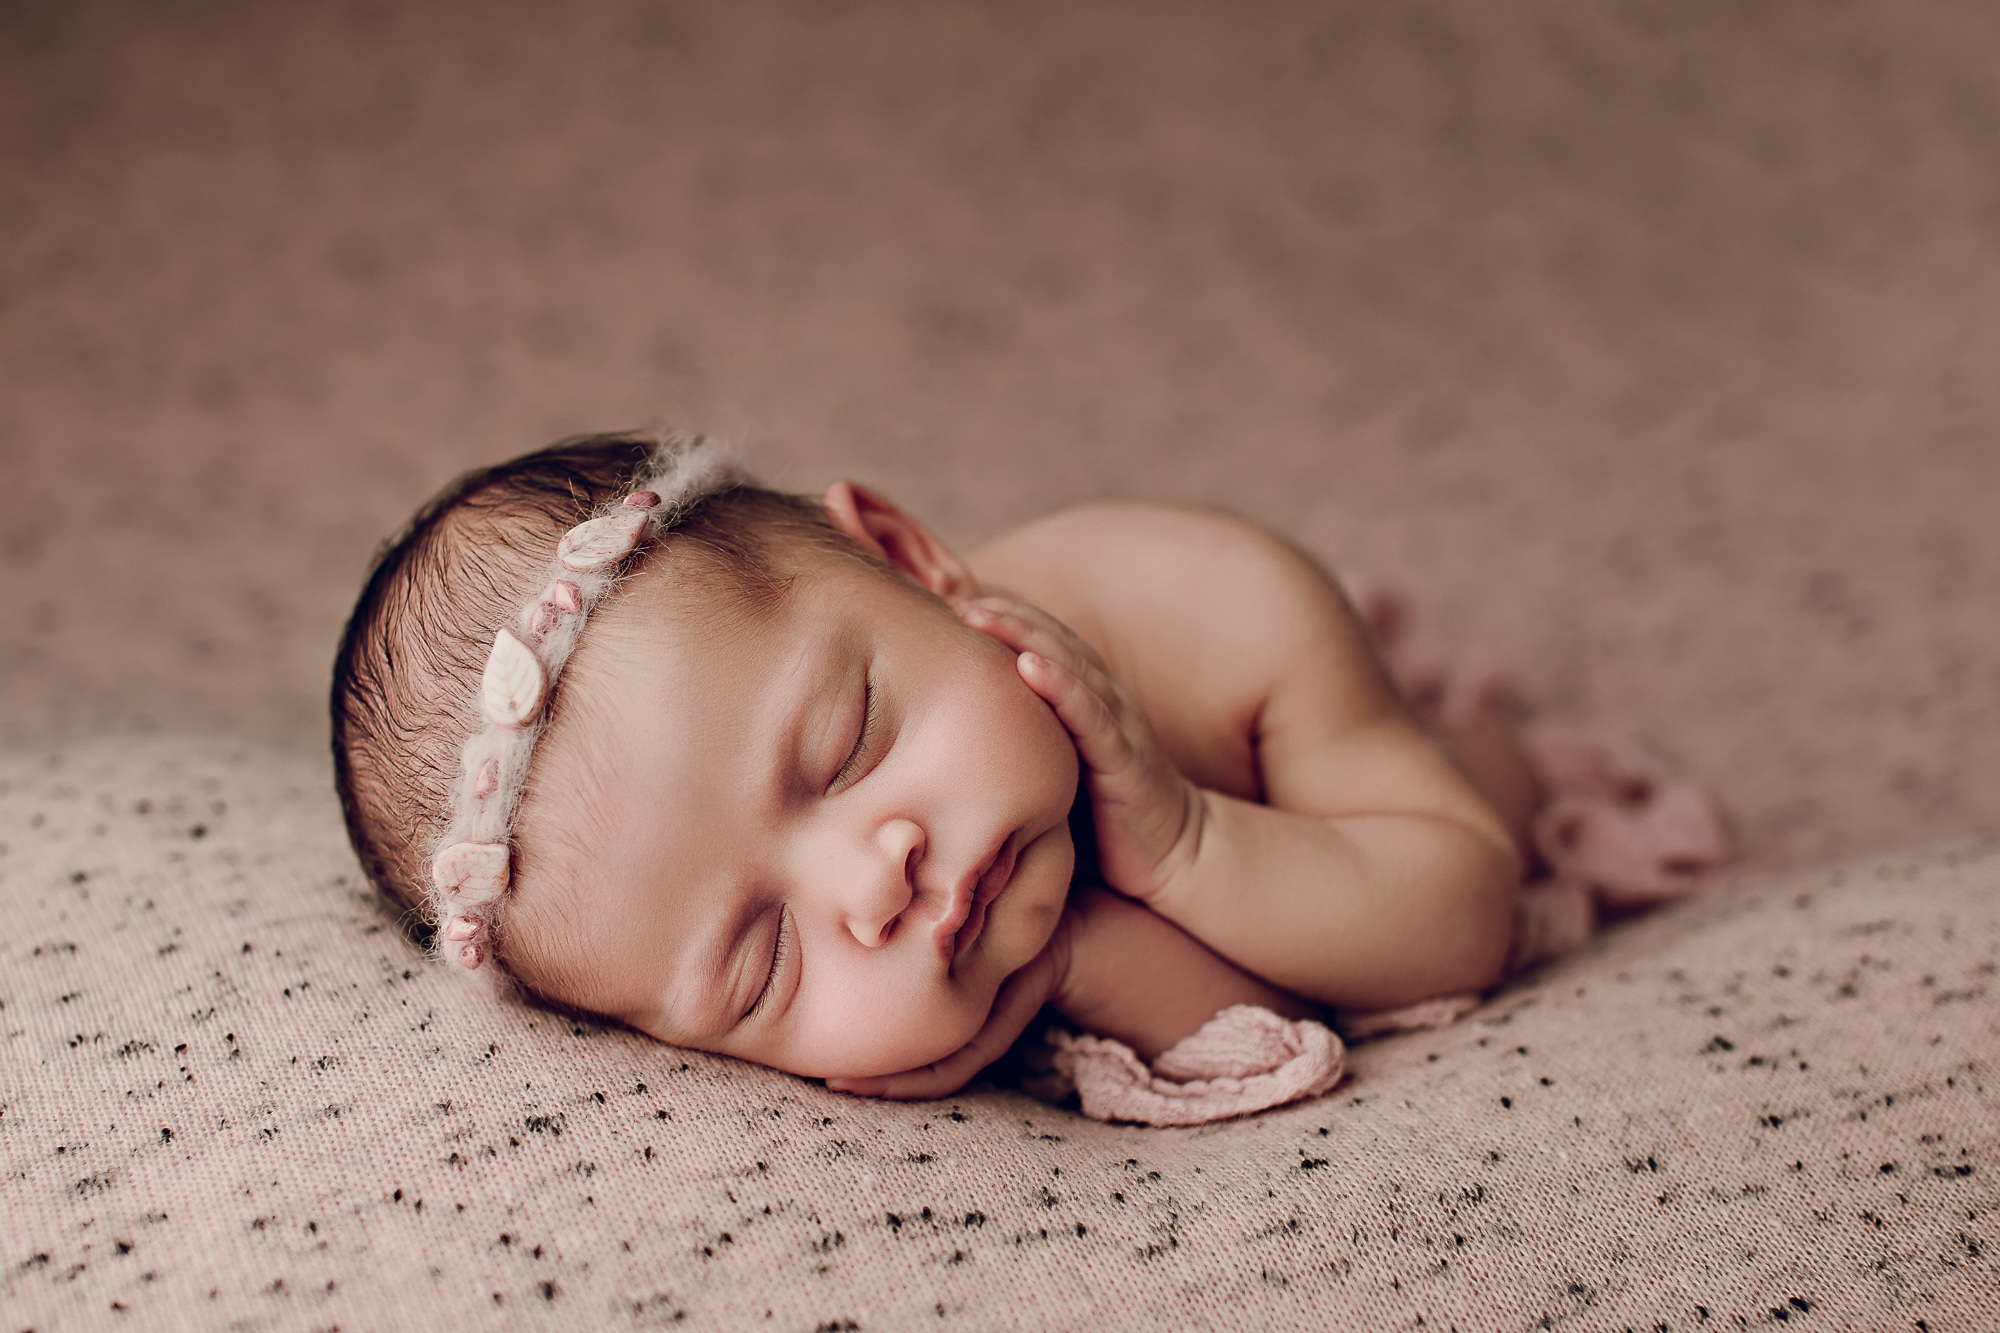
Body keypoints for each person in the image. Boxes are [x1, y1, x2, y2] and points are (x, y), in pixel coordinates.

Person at [331, 431, 1706, 1105]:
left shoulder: (1219, 606)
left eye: (847, 743)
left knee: (1493, 804)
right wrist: (1074, 958)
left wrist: (1184, 849)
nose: (879, 880)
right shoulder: (973, 936)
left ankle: (1473, 735)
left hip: (1291, 758)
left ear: (915, 563)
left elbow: (1444, 927)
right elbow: (1246, 1015)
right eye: (764, 962)